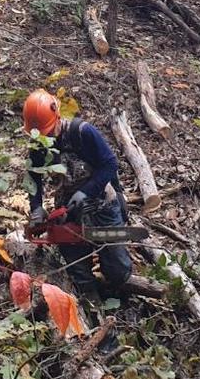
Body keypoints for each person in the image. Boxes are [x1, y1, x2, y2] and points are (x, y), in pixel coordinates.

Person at [23, 89, 133, 304]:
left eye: (48, 131)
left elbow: (110, 164)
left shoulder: (82, 132)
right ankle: (92, 306)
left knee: (118, 270)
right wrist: (36, 207)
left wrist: (87, 191)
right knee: (78, 272)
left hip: (102, 203)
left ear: (57, 117)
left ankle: (120, 299)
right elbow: (33, 177)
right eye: (42, 134)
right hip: (69, 208)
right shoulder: (38, 144)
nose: (47, 137)